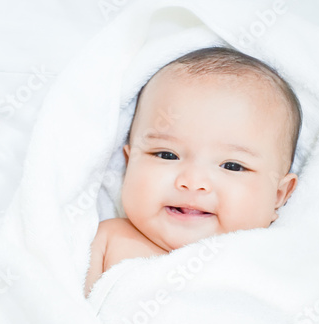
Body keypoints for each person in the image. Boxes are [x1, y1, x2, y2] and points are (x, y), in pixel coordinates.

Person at [84, 46, 302, 298]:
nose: (193, 182)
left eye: (232, 166)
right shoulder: (107, 241)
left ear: (278, 195)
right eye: (167, 155)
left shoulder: (276, 263)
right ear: (128, 162)